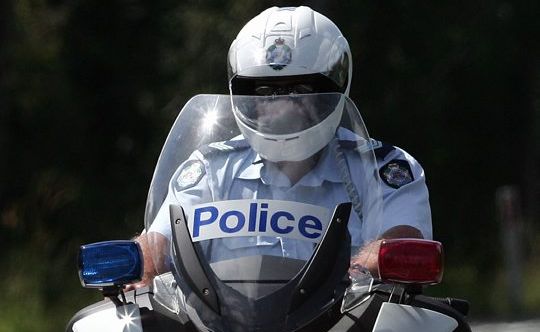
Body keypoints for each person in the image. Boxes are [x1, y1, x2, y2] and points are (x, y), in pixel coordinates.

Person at [133, 6, 432, 289]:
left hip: (343, 321)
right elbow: (158, 246)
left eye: (299, 90)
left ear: (334, 89)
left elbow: (401, 237)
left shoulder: (380, 167)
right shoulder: (212, 169)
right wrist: (141, 265)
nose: (282, 105)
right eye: (263, 92)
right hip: (223, 323)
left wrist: (357, 271)